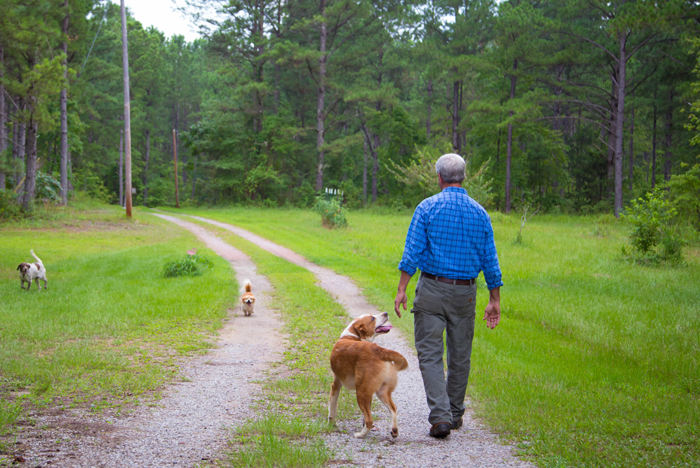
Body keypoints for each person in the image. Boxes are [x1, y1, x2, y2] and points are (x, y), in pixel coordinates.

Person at [394, 153, 502, 439]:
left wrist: (402, 288)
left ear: (439, 178)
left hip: (431, 289)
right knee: (460, 354)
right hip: (465, 292)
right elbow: (490, 260)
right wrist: (495, 299)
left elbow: (412, 252)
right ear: (463, 177)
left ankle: (440, 417)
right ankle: (454, 413)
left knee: (430, 354)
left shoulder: (427, 208)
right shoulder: (480, 213)